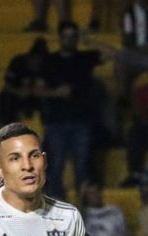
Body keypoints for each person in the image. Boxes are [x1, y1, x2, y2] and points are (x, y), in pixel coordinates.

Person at [37, 21, 105, 199]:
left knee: (81, 168)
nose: (70, 40)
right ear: (59, 38)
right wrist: (56, 93)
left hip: (81, 121)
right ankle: (59, 210)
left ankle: (81, 208)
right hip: (56, 122)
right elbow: (39, 90)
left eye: (73, 36)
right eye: (66, 36)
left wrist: (89, 42)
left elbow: (112, 54)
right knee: (56, 168)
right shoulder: (49, 61)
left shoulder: (84, 58)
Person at [0, 38, 50, 125]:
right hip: (18, 96)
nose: (36, 64)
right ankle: (7, 129)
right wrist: (18, 91)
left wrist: (41, 92)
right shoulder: (18, 62)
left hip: (39, 98)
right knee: (5, 98)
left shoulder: (48, 65)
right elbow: (7, 85)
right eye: (34, 59)